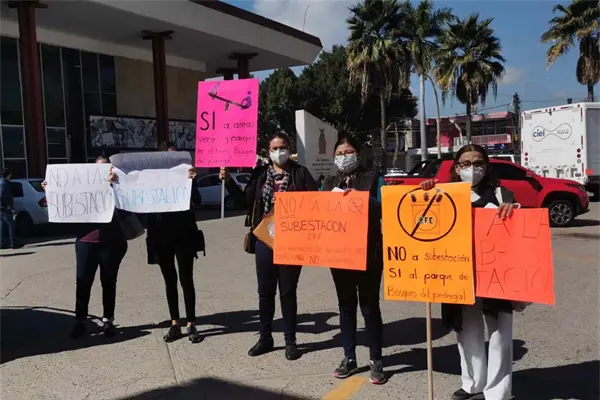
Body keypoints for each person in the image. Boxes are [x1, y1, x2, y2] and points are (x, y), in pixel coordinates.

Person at [420, 144, 519, 400]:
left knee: (500, 332)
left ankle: (498, 392)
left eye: (477, 163)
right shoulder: (444, 194)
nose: (471, 168)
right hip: (458, 271)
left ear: (486, 167)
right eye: (465, 163)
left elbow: (520, 226)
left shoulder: (501, 193)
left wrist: (513, 210)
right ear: (456, 167)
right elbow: (422, 221)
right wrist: (424, 194)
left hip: (496, 273)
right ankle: (473, 383)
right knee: (467, 329)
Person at [219, 132, 318, 360]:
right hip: (265, 240)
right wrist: (229, 181)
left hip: (292, 241)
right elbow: (245, 201)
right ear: (268, 151)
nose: (279, 152)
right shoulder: (260, 174)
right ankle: (265, 338)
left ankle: (290, 341)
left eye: (282, 147)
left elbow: (315, 202)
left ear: (289, 149)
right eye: (274, 148)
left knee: (287, 292)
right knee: (265, 292)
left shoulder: (300, 173)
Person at [321, 136, 386, 385]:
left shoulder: (374, 178)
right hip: (339, 254)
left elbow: (385, 207)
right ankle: (349, 357)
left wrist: (361, 199)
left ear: (358, 154)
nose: (344, 157)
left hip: (369, 252)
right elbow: (318, 210)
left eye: (348, 152)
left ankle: (376, 359)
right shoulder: (329, 182)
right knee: (346, 307)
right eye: (339, 153)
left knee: (369, 307)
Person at [42, 156, 128, 338]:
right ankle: (80, 321)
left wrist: (115, 186)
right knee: (83, 282)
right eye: (98, 168)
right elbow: (63, 200)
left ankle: (108, 320)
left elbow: (127, 207)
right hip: (86, 242)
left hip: (110, 242)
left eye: (106, 168)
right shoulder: (82, 184)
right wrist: (51, 191)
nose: (103, 172)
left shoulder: (119, 186)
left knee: (109, 282)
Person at [145, 142, 204, 344]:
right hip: (161, 236)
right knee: (169, 281)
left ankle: (191, 323)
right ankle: (175, 323)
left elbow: (197, 201)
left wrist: (193, 181)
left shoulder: (187, 178)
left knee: (186, 280)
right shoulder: (151, 181)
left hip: (184, 234)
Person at [0, 168, 18, 249]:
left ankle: (1, 243)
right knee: (11, 225)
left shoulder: (2, 182)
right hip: (4, 208)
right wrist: (7, 205)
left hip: (1, 208)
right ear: (7, 175)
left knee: (2, 225)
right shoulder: (3, 184)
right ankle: (13, 243)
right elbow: (2, 195)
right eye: (10, 174)